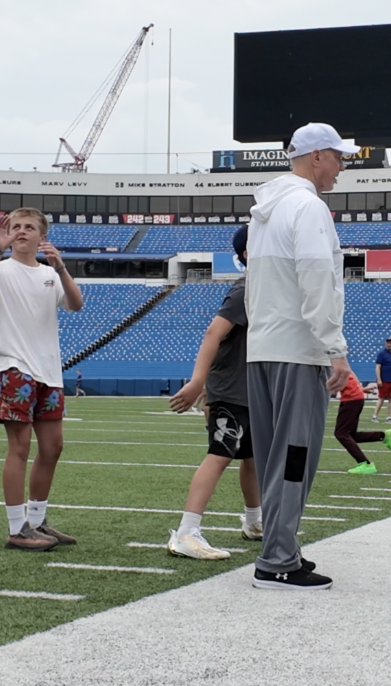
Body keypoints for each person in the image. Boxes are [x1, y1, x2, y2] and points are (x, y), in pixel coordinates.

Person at [245, 122, 356, 590]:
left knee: (275, 457)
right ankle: (276, 560)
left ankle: (282, 546)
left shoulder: (265, 211)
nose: (341, 167)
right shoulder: (309, 207)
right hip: (298, 349)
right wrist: (335, 348)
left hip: (264, 347)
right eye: (338, 157)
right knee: (295, 457)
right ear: (316, 157)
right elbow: (317, 279)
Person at [0, 208, 84, 551]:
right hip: (14, 367)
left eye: (29, 227)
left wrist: (60, 266)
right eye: (15, 226)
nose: (21, 231)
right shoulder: (1, 268)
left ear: (41, 235)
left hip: (48, 369)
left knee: (53, 446)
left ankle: (37, 519)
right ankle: (17, 527)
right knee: (19, 447)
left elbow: (76, 304)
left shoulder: (50, 273)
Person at [166, 225, 262, 560]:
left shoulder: (266, 286)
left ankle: (255, 521)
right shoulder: (247, 288)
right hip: (232, 388)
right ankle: (186, 532)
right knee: (220, 454)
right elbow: (213, 333)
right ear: (249, 253)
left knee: (252, 458)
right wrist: (197, 382)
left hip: (251, 389)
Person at [337, 373, 391, 474]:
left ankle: (365, 464)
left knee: (341, 433)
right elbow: (348, 372)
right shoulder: (334, 359)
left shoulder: (329, 360)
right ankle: (385, 436)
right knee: (351, 435)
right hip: (353, 397)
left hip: (351, 398)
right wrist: (360, 388)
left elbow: (340, 375)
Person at [372, 337, 391, 423]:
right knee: (381, 398)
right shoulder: (381, 354)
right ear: (385, 343)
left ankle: (389, 417)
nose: (389, 344)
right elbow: (378, 367)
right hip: (384, 380)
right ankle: (375, 416)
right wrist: (379, 379)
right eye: (388, 342)